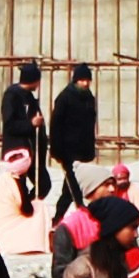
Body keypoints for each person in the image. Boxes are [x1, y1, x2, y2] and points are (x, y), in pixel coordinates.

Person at [48, 62, 101, 210]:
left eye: (87, 80)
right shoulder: (65, 98)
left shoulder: (89, 98)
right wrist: (57, 150)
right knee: (73, 182)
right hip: (67, 150)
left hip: (82, 149)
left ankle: (60, 215)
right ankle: (80, 208)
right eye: (82, 80)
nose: (85, 83)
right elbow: (56, 125)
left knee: (71, 185)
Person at [0, 62, 47, 216]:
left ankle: (28, 207)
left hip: (31, 150)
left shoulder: (29, 98)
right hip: (18, 151)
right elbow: (10, 125)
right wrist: (31, 124)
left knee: (44, 184)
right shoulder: (12, 96)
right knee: (21, 187)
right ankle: (22, 212)